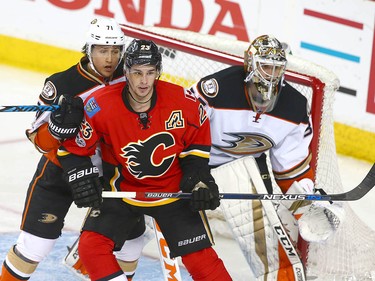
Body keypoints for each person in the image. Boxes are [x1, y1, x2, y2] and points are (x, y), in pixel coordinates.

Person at [56, 38, 232, 281]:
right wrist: (81, 178)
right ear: (126, 71)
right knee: (91, 248)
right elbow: (72, 149)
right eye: (137, 72)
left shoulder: (185, 103)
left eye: (150, 73)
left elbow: (196, 150)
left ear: (158, 72)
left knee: (203, 261)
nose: (143, 81)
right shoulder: (100, 105)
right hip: (122, 192)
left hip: (172, 193)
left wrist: (199, 181)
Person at [0, 18, 145, 281]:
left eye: (115, 50)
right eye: (102, 50)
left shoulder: (132, 77)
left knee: (131, 246)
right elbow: (39, 141)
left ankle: (87, 258)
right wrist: (56, 129)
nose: (110, 58)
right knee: (33, 247)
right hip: (61, 171)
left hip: (112, 174)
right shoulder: (62, 84)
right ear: (88, 49)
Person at [188, 34, 343, 280]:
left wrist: (306, 202)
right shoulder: (216, 89)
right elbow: (182, 133)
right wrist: (194, 176)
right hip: (196, 165)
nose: (271, 74)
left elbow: (291, 168)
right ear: (251, 65)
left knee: (276, 252)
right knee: (183, 240)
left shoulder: (293, 106)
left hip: (245, 169)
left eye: (277, 68)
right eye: (266, 66)